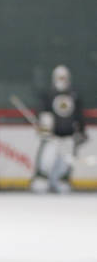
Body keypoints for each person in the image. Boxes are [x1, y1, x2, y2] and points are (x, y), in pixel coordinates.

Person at [30, 65, 87, 193]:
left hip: (68, 137)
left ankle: (61, 181)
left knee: (64, 164)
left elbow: (79, 116)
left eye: (64, 77)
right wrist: (43, 128)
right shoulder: (49, 95)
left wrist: (81, 132)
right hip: (52, 138)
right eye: (59, 77)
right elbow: (43, 114)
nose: (62, 80)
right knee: (46, 161)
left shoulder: (74, 96)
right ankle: (42, 180)